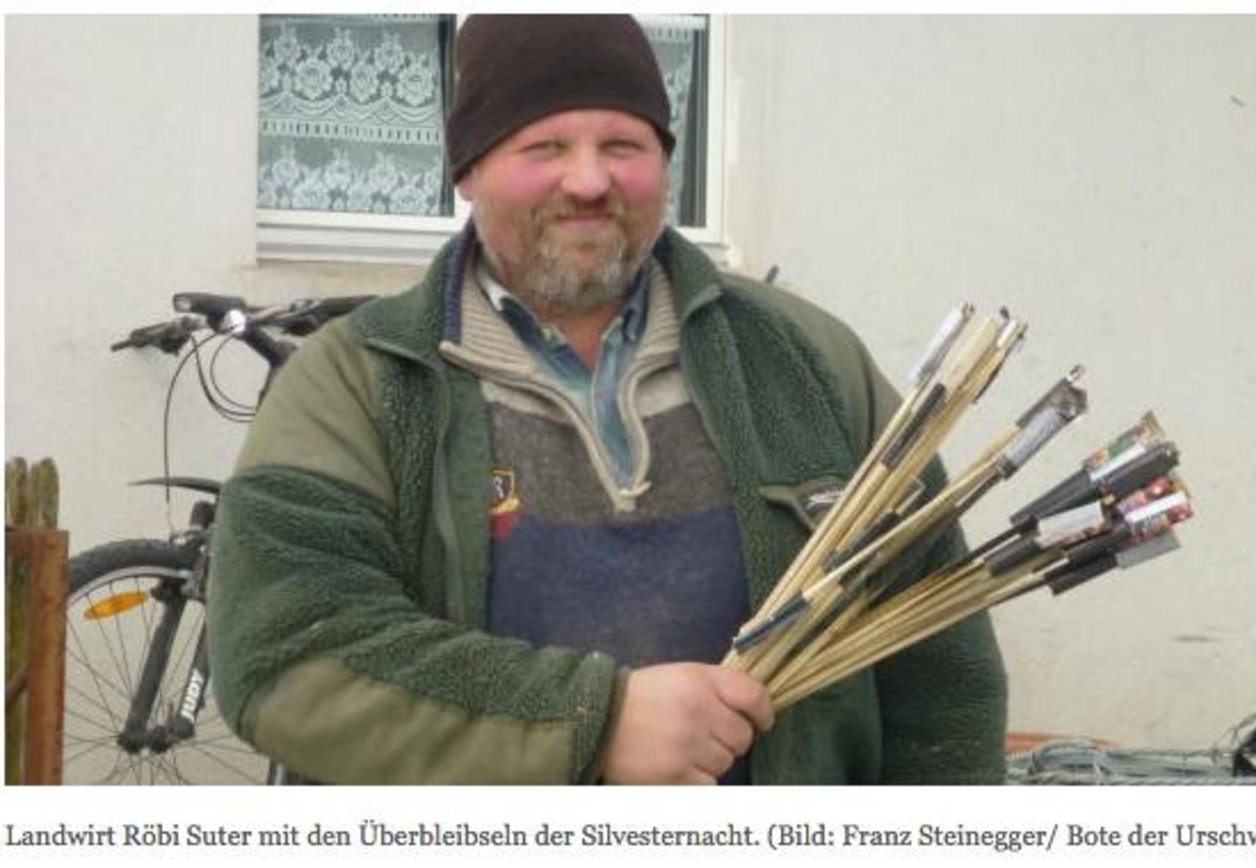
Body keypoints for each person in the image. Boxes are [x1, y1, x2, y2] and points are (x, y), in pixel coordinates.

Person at [208, 14, 1007, 785]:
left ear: (663, 164)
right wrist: (595, 722)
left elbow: (942, 670)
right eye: (544, 146)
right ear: (467, 172)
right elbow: (284, 655)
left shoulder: (807, 360)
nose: (589, 181)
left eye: (623, 145)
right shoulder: (364, 381)